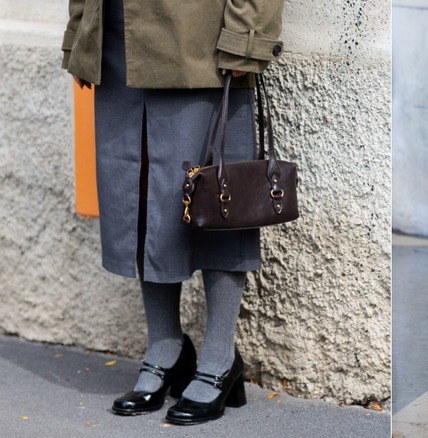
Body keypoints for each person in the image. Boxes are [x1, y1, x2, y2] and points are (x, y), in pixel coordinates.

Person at [61, 0, 284, 425]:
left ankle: (220, 356)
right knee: (139, 196)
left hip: (199, 41)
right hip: (113, 39)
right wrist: (79, 35)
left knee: (219, 198)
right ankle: (165, 347)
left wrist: (246, 36)